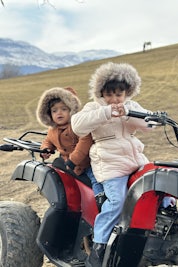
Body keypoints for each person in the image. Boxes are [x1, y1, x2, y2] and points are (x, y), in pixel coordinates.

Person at [71, 62, 155, 267]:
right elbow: (78, 126)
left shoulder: (131, 106)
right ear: (101, 93)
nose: (114, 99)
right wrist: (106, 112)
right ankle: (99, 247)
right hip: (110, 164)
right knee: (117, 202)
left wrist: (129, 113)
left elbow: (149, 124)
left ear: (127, 92)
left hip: (136, 161)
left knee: (160, 191)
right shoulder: (94, 108)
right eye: (109, 95)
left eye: (119, 94)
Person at [36, 86, 104, 207]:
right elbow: (48, 141)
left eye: (64, 109)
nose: (59, 113)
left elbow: (85, 141)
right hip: (69, 164)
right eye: (54, 110)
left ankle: (100, 199)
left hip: (87, 162)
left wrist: (74, 159)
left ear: (72, 111)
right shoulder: (52, 129)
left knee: (96, 177)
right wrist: (45, 149)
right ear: (49, 114)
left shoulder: (77, 125)